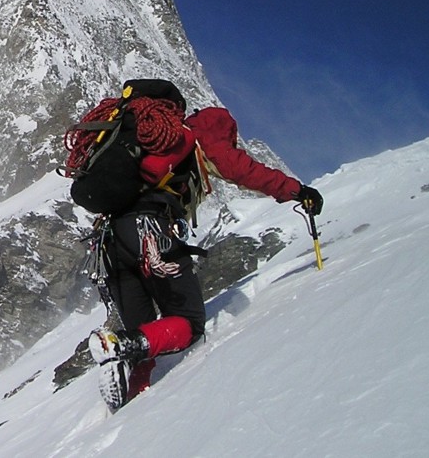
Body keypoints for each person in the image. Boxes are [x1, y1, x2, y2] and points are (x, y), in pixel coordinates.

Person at [86, 97, 324, 409]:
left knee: (145, 333)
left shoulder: (144, 147)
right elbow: (242, 170)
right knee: (189, 321)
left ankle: (133, 401)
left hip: (109, 244)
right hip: (150, 232)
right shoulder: (200, 135)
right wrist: (297, 191)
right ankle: (120, 346)